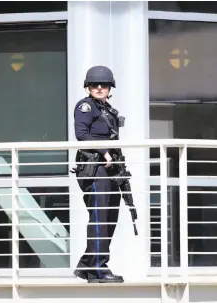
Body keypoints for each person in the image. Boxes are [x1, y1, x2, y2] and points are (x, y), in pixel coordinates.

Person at [72, 65, 124, 283]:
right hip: (94, 168)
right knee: (99, 217)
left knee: (110, 217)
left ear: (110, 88)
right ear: (88, 88)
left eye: (104, 85)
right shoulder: (85, 107)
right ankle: (98, 269)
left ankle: (86, 264)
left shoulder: (107, 109)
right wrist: (103, 151)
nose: (100, 87)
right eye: (95, 85)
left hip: (109, 168)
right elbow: (81, 134)